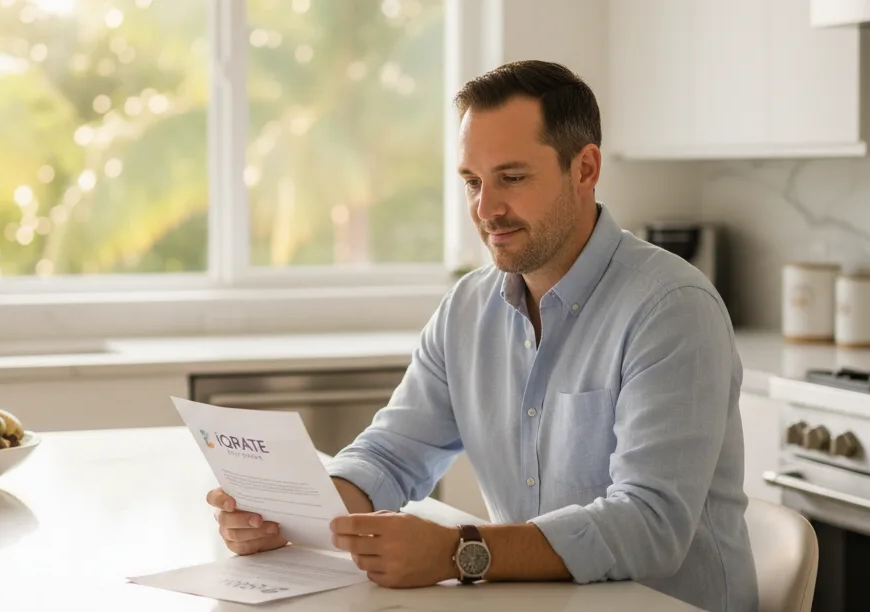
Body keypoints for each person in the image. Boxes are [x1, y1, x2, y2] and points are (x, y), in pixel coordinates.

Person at [206, 60, 759, 612]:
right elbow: (393, 454)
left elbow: (650, 525)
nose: (486, 209)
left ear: (585, 168)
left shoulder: (671, 309)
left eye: (512, 178)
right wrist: (287, 513)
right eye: (473, 181)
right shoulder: (468, 308)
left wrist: (458, 553)